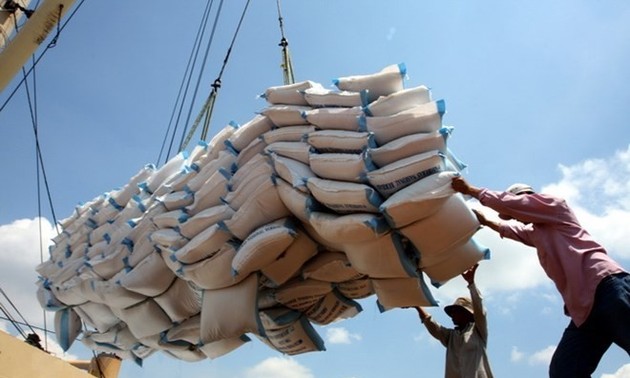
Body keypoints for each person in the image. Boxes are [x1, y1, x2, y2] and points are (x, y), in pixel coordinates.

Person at [451, 176, 630, 377]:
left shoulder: (555, 207)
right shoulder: (537, 233)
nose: (519, 218)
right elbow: (511, 230)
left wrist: (472, 190)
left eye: (519, 211)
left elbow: (517, 205)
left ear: (528, 197)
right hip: (583, 312)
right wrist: (487, 221)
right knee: (563, 371)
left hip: (606, 286)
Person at [412, 263, 494, 378]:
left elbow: (480, 311)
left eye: (456, 311)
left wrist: (471, 283)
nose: (452, 316)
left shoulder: (478, 331)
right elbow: (433, 326)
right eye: (452, 313)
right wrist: (416, 306)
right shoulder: (451, 337)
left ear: (468, 314)